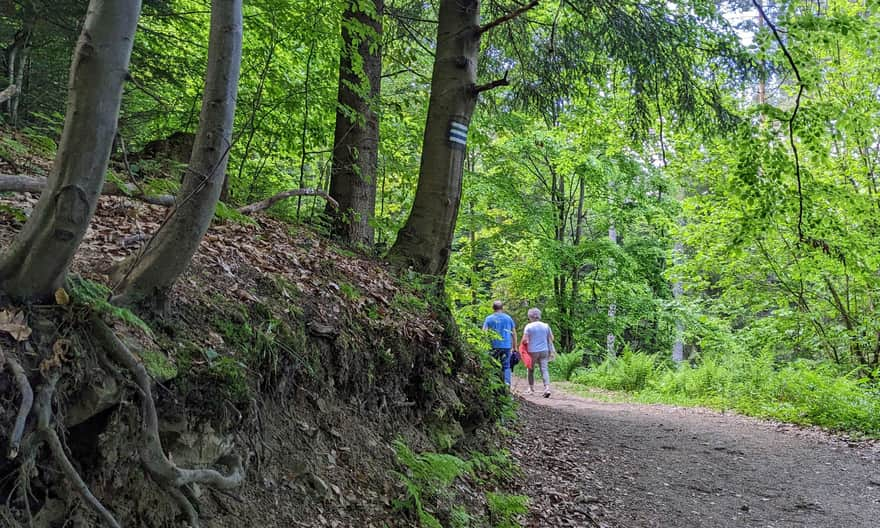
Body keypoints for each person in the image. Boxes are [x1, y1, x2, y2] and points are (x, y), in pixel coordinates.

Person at [482, 301, 517, 390]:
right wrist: (514, 347)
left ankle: (493, 385)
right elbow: (514, 333)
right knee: (506, 366)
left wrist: (484, 345)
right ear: (502, 308)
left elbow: (484, 333)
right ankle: (507, 385)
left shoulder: (489, 318)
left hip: (493, 346)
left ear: (493, 308)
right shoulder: (508, 318)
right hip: (506, 346)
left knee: (492, 365)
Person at [522, 307, 554, 397]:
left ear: (530, 317)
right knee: (544, 370)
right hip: (544, 350)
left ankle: (531, 389)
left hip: (532, 351)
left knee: (530, 370)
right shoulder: (546, 325)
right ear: (539, 316)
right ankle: (547, 388)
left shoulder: (528, 326)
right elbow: (552, 338)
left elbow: (524, 340)